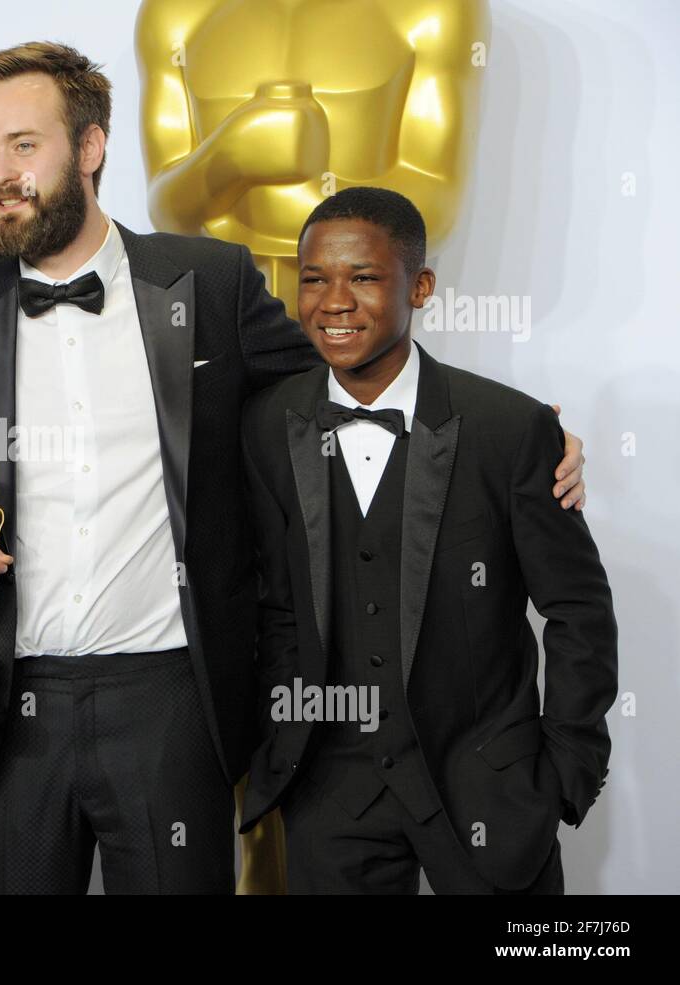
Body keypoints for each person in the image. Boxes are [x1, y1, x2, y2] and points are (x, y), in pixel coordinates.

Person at [0, 42, 588, 894]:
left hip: (170, 696)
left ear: (90, 149)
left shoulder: (208, 279)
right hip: (9, 701)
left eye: (23, 146)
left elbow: (339, 380)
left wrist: (521, 437)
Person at [238, 187, 617, 893]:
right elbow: (277, 607)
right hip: (331, 797)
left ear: (421, 286)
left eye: (365, 277)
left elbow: (579, 612)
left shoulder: (509, 427)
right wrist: (283, 737)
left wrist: (563, 773)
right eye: (314, 278)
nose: (334, 301)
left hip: (490, 790)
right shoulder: (267, 424)